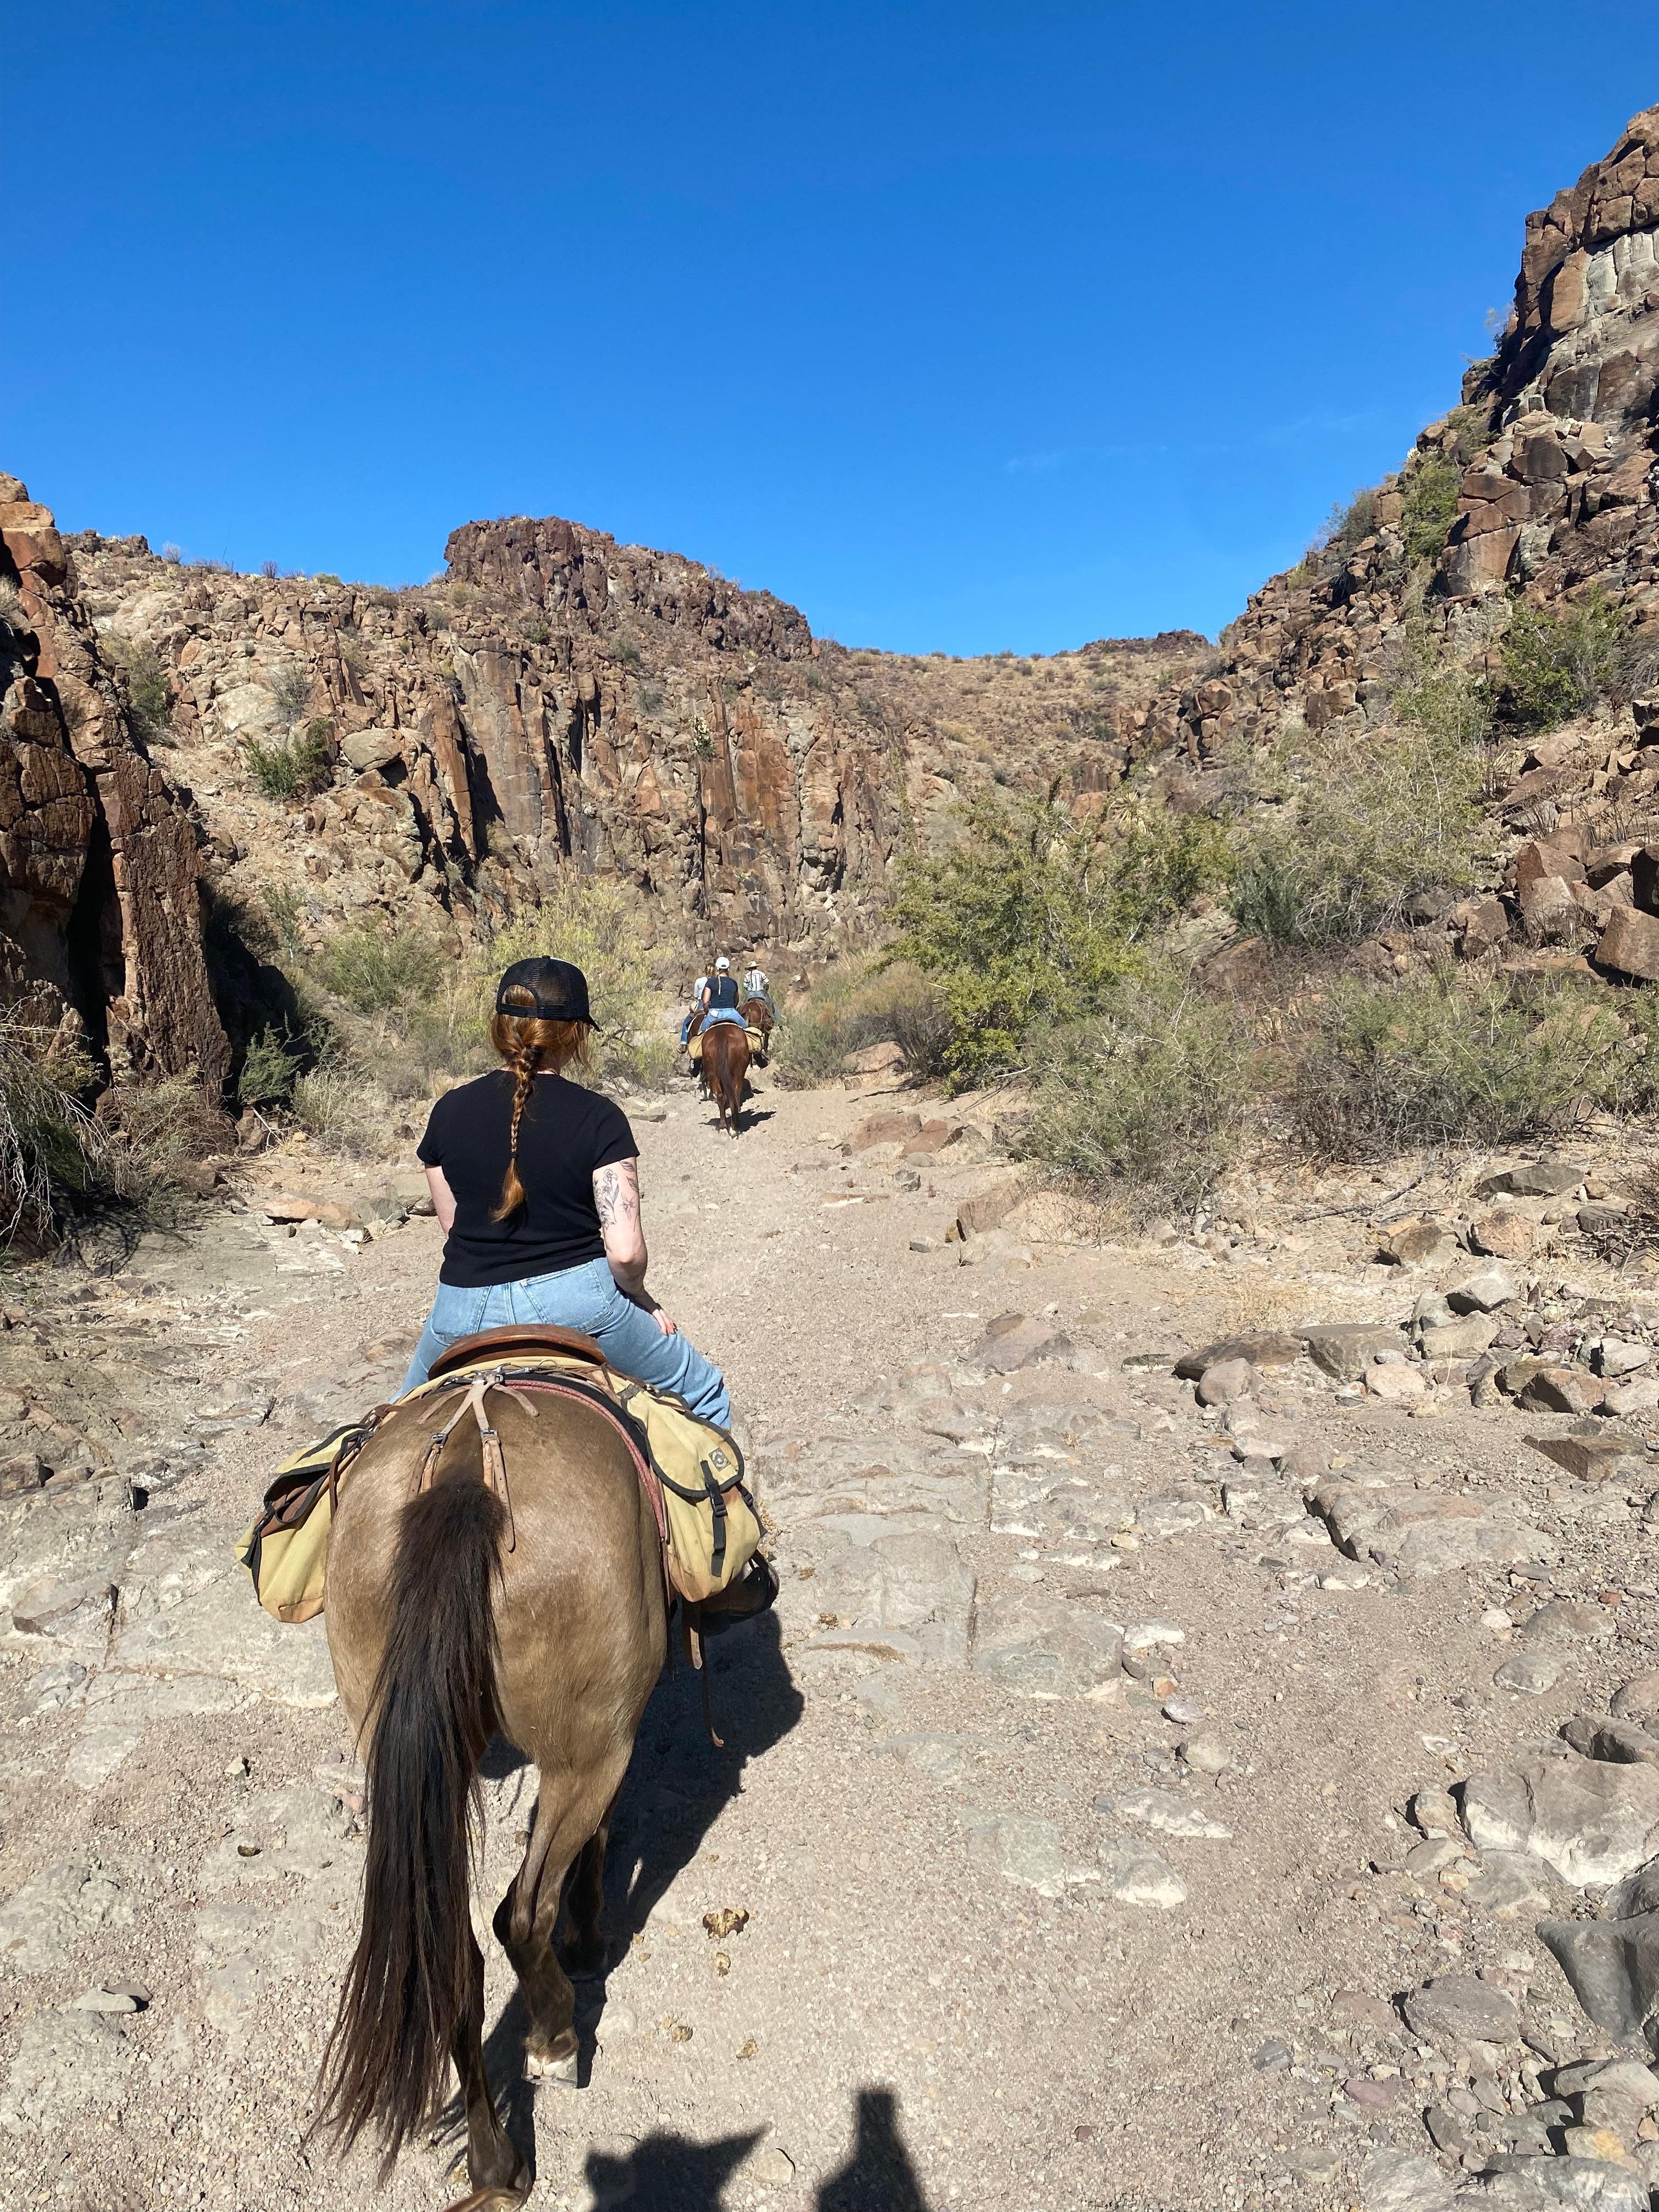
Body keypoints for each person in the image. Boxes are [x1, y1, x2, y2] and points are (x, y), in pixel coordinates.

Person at [398, 955, 730, 1422]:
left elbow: (453, 1229)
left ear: (501, 1026)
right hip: (579, 1306)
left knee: (391, 1423)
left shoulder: (447, 1111)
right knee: (703, 1393)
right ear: (575, 1033)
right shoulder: (599, 1117)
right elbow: (626, 1253)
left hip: (462, 1310)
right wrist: (639, 1297)